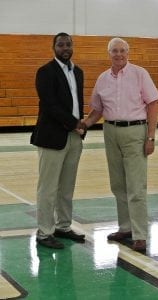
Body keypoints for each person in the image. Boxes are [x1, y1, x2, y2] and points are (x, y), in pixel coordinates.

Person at [83, 37, 158, 251]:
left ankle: (140, 234)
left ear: (128, 53)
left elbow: (153, 105)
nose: (118, 54)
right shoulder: (102, 79)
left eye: (122, 51)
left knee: (136, 186)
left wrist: (151, 137)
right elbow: (97, 109)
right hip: (110, 131)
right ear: (108, 54)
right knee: (118, 184)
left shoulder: (140, 74)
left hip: (135, 131)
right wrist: (85, 124)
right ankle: (125, 228)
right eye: (114, 51)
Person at [30, 32, 86, 249]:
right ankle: (44, 233)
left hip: (73, 138)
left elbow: (77, 104)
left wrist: (79, 128)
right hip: (52, 138)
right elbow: (50, 105)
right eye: (61, 45)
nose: (65, 48)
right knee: (48, 188)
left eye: (68, 44)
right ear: (54, 47)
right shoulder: (45, 72)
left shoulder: (78, 72)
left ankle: (63, 227)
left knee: (66, 187)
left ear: (72, 46)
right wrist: (74, 123)